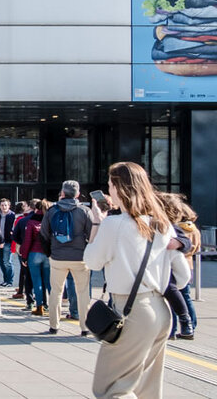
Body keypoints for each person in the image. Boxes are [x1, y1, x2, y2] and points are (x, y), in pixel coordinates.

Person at [84, 162, 190, 398]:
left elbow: (92, 262)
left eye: (111, 185)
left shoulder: (113, 224)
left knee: (111, 388)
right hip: (161, 312)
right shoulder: (162, 224)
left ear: (120, 189)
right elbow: (183, 278)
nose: (109, 190)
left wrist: (97, 223)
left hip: (131, 311)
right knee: (147, 389)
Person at [40, 180, 94, 336]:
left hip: (58, 257)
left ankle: (54, 326)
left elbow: (43, 234)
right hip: (80, 257)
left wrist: (50, 253)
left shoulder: (52, 211)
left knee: (56, 292)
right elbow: (92, 235)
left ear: (62, 193)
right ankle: (84, 327)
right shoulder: (84, 211)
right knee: (83, 292)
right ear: (77, 194)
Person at [158, 192, 198, 340]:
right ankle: (180, 324)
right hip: (162, 270)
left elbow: (186, 242)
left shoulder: (171, 227)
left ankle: (183, 321)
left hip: (168, 270)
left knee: (171, 289)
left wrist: (180, 243)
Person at [19, 200, 50, 317]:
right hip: (47, 254)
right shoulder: (50, 221)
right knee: (49, 282)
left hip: (34, 253)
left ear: (36, 209)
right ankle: (53, 306)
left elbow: (27, 242)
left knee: (37, 281)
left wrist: (24, 257)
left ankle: (39, 307)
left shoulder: (31, 222)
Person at [0, 198, 16, 287]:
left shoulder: (12, 215)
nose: (4, 207)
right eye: (2, 205)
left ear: (9, 206)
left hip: (8, 241)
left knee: (7, 262)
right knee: (0, 262)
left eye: (6, 205)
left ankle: (10, 281)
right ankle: (5, 280)